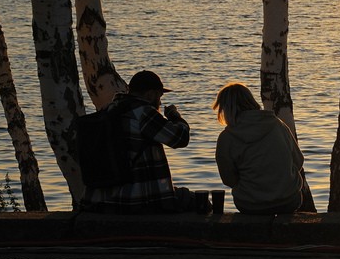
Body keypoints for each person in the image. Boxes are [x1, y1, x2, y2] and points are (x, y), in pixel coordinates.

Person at [82, 70, 196, 213]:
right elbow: (180, 138)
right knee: (195, 201)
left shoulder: (109, 109)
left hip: (101, 200)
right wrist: (175, 116)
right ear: (150, 94)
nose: (159, 102)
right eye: (159, 96)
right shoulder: (142, 112)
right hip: (137, 200)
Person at [214, 83, 303, 215]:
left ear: (225, 109)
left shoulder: (226, 138)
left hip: (250, 204)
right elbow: (298, 161)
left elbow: (229, 180)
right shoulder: (277, 124)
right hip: (288, 200)